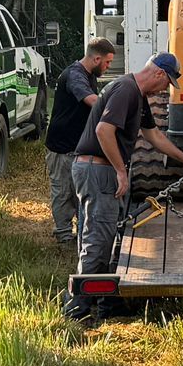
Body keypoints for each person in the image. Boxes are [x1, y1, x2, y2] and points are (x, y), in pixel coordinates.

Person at [68, 52, 183, 316]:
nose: (164, 89)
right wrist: (121, 171)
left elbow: (154, 135)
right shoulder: (126, 90)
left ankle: (108, 302)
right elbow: (103, 131)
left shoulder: (139, 96)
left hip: (104, 170)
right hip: (98, 170)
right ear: (158, 73)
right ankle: (77, 310)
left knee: (111, 237)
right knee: (98, 240)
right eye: (166, 82)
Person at [45, 38, 115, 243]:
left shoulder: (88, 74)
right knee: (63, 192)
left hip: (75, 146)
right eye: (107, 62)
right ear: (96, 58)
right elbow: (92, 100)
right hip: (61, 146)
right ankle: (64, 235)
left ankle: (79, 232)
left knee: (78, 192)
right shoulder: (75, 76)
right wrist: (115, 110)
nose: (108, 66)